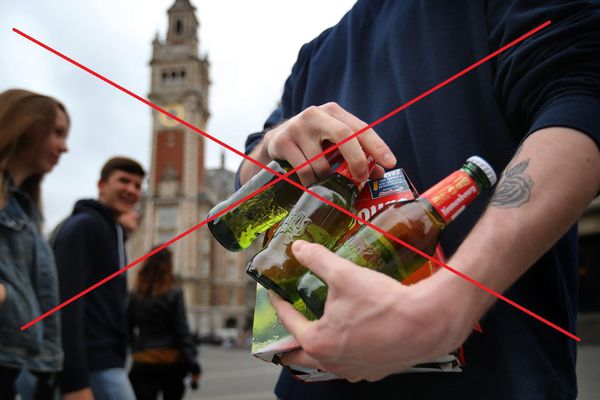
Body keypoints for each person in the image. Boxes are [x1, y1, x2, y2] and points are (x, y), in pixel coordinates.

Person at [237, 1, 600, 399]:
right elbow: (247, 177)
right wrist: (277, 139)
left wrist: (457, 297)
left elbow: (582, 96)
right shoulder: (314, 55)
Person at [53, 157, 145, 400]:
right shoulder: (84, 226)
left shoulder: (111, 231)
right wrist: (74, 379)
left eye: (137, 185)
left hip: (108, 358)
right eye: (123, 181)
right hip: (91, 360)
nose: (131, 190)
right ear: (101, 185)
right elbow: (65, 302)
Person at [0, 89, 69, 398]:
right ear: (26, 125)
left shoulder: (26, 209)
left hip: (19, 365)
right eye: (57, 133)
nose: (64, 147)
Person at [127, 246, 201, 400]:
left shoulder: (135, 294)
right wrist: (193, 365)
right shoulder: (174, 293)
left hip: (143, 361)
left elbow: (126, 329)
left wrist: (137, 349)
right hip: (170, 362)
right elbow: (182, 332)